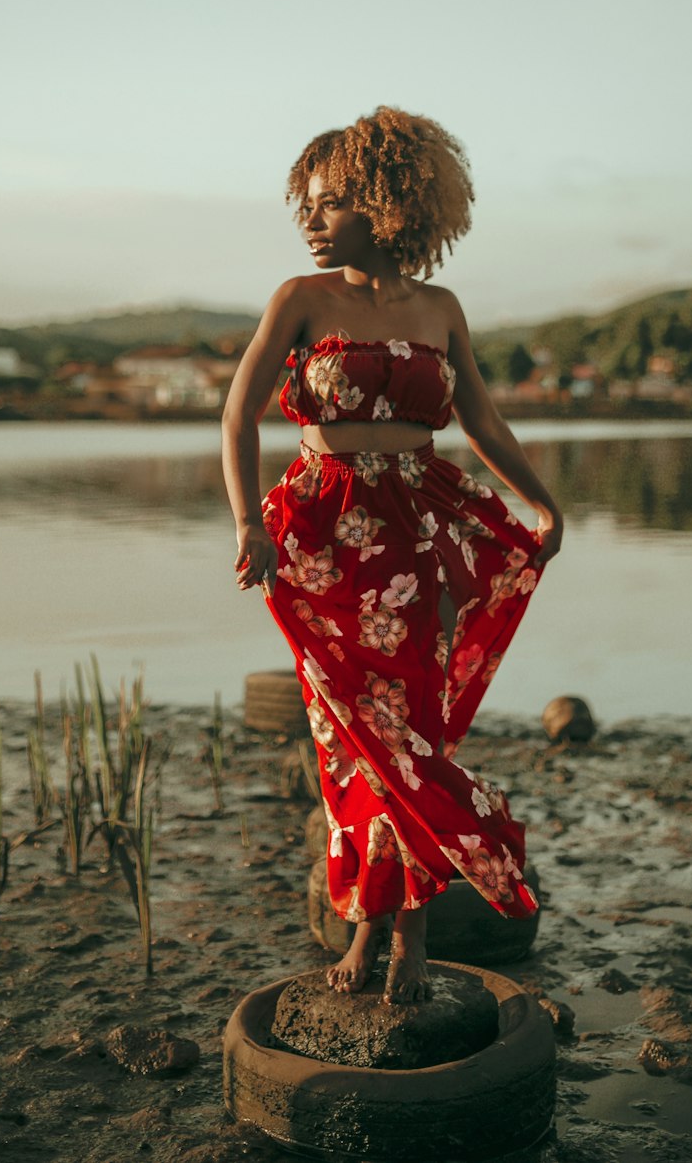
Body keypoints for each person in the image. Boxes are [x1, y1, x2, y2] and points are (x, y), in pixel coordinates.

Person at [221, 106, 563, 1005]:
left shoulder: (441, 310)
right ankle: (365, 920)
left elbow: (482, 422)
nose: (307, 218)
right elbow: (237, 416)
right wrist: (247, 524)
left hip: (417, 534)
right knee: (347, 736)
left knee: (408, 729)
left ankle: (405, 932)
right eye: (305, 202)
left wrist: (541, 502)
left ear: (385, 204)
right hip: (321, 537)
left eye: (327, 203)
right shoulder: (298, 299)